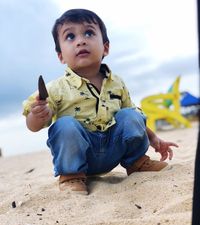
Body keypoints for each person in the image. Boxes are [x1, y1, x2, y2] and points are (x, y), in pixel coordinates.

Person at [23, 9, 178, 195]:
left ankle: (137, 163)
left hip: (114, 149)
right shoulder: (55, 89)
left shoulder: (117, 83)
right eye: (70, 36)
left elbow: (134, 117)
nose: (81, 40)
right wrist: (37, 115)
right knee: (64, 125)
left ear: (105, 47)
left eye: (89, 33)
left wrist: (154, 139)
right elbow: (32, 126)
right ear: (61, 56)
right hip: (80, 156)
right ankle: (71, 176)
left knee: (130, 114)